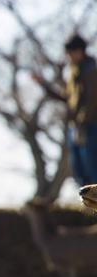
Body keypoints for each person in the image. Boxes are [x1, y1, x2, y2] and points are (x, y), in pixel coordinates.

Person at [33, 34, 97, 186]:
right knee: (79, 171)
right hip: (76, 127)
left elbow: (91, 100)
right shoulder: (74, 73)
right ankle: (90, 208)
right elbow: (67, 99)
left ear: (80, 51)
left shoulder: (91, 72)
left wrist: (82, 121)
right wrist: (44, 85)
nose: (69, 57)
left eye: (70, 53)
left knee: (92, 169)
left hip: (90, 126)